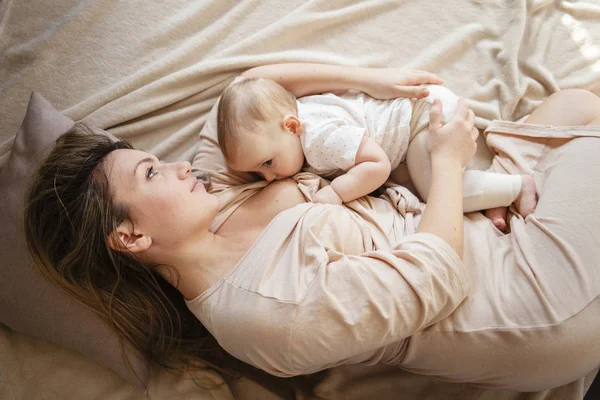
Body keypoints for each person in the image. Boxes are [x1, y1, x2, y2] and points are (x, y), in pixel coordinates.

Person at [23, 63, 600, 394]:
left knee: (575, 103)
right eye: (151, 172)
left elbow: (251, 88)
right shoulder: (259, 313)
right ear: (131, 237)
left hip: (475, 229)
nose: (175, 165)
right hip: (529, 302)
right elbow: (438, 278)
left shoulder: (218, 184)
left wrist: (377, 82)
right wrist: (448, 165)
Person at [216, 77, 537, 231]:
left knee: (435, 189)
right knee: (415, 182)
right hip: (410, 128)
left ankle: (517, 185)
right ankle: (493, 199)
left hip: (422, 121)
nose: (270, 178)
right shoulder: (300, 122)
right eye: (259, 175)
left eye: (268, 163)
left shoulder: (318, 139)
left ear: (291, 126)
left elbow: (377, 165)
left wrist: (337, 193)